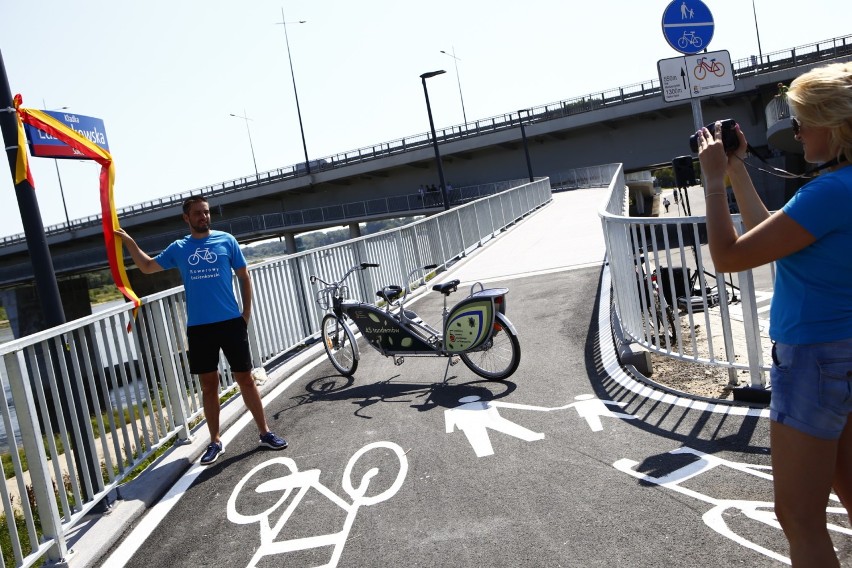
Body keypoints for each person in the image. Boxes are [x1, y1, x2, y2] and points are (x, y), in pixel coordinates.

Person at [696, 62, 851, 566]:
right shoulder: (837, 192)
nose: (796, 131)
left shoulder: (828, 193)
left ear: (836, 125)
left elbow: (729, 256)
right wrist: (739, 168)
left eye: (803, 120)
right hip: (845, 357)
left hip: (814, 363)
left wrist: (714, 181)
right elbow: (773, 239)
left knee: (800, 519)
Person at [115, 196, 288, 465]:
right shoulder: (179, 248)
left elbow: (244, 276)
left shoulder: (226, 241)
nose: (203, 217)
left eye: (206, 213)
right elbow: (147, 267)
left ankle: (265, 432)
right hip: (199, 327)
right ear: (187, 218)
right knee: (209, 386)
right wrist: (129, 243)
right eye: (197, 214)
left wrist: (246, 314)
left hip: (231, 322)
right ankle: (215, 441)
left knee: (245, 379)